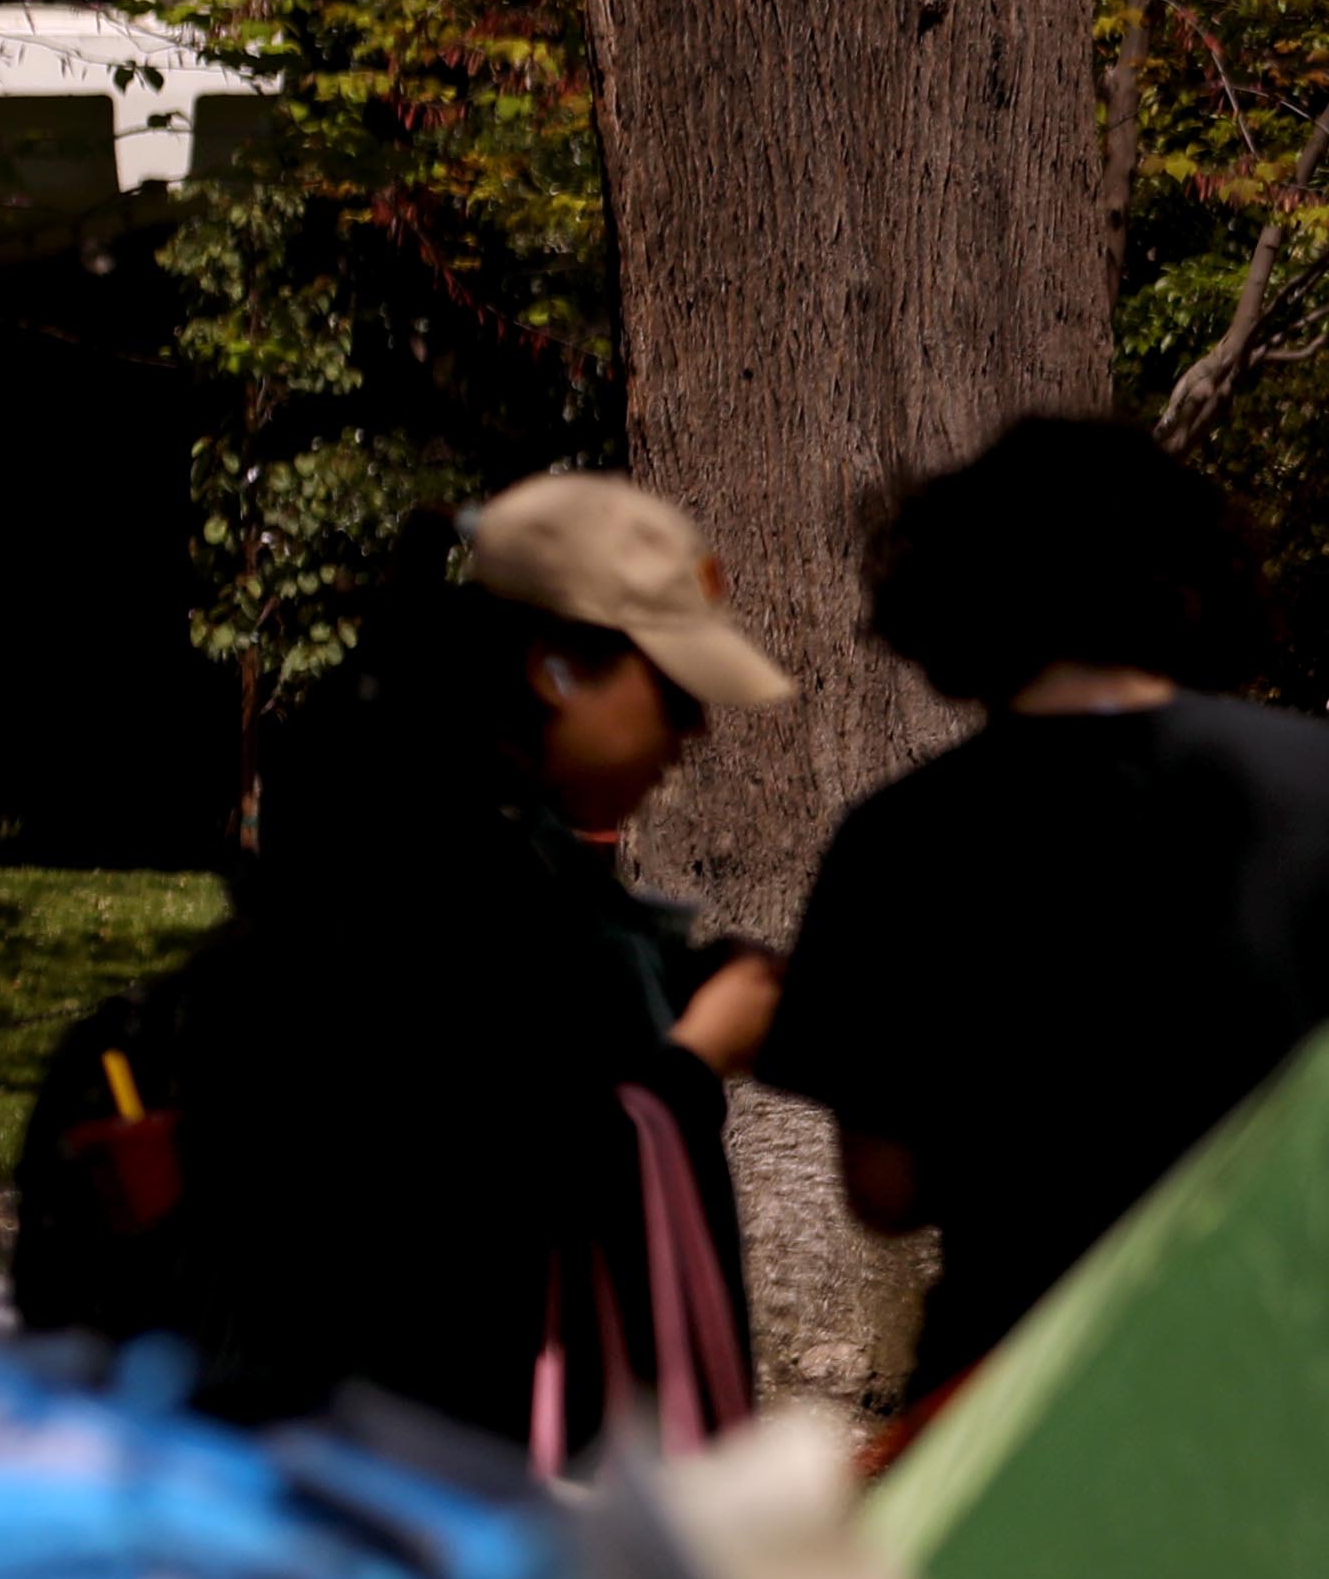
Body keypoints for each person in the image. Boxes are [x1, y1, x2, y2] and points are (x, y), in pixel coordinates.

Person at [161, 473, 787, 1460]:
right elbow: (471, 1178)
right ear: (556, 670)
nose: (693, 731)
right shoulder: (428, 861)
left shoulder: (464, 838)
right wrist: (691, 1060)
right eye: (672, 691)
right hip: (439, 1478)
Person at [764, 415, 1329, 1420]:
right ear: (1190, 578)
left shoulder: (893, 841)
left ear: (956, 596)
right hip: (1283, 1380)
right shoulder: (1314, 787)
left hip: (1014, 1392)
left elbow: (882, 1190)